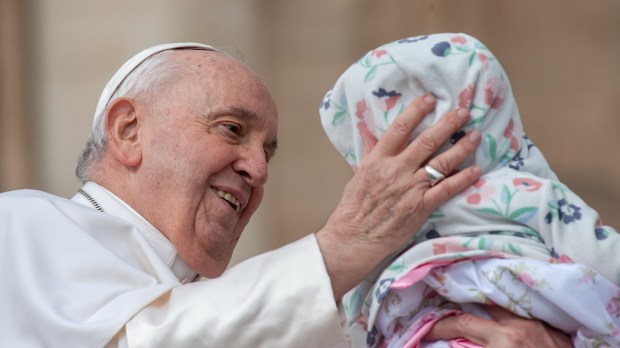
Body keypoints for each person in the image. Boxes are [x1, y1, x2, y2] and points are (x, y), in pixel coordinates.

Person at [0, 42, 483, 347]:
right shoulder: (20, 225)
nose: (257, 169)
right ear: (128, 131)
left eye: (267, 154)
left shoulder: (213, 300)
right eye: (231, 129)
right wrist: (342, 248)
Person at [319, 32, 620, 347]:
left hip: (420, 329)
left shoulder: (381, 224)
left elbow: (358, 309)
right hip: (530, 310)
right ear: (495, 108)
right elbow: (602, 258)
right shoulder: (524, 191)